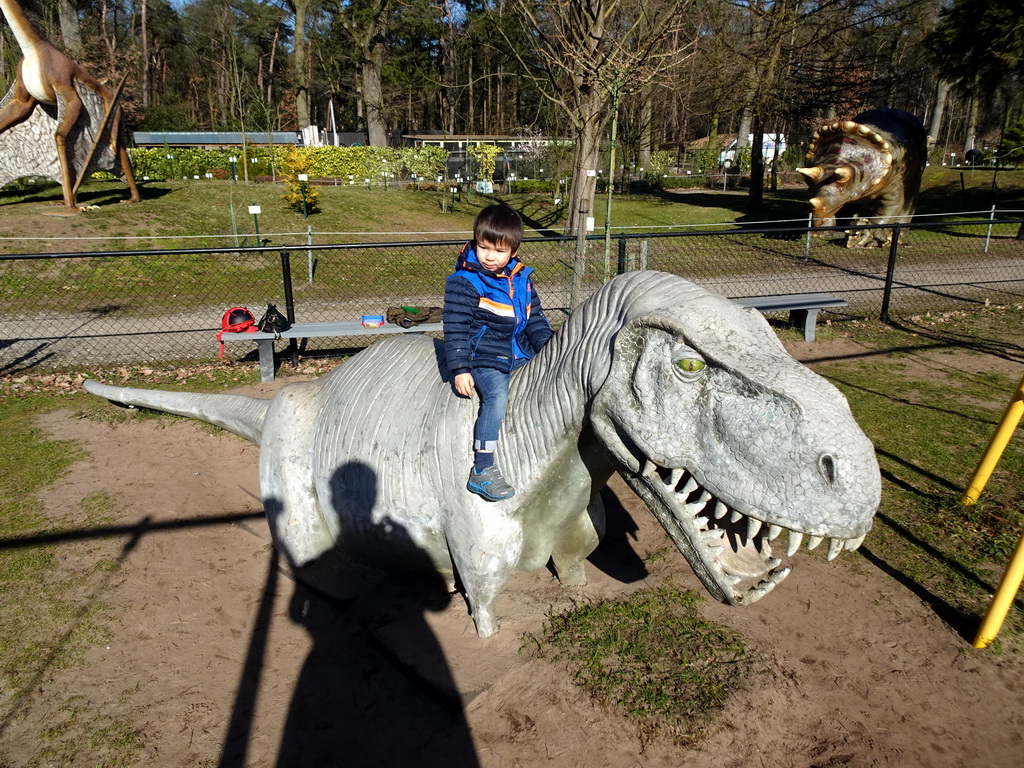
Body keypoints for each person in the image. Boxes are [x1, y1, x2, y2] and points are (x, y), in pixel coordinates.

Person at [443, 204, 552, 501]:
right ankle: (482, 468)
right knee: (497, 396)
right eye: (484, 247)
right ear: (475, 242)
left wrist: (550, 349)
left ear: (513, 252)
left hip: (517, 352)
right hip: (484, 355)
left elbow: (536, 320)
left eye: (499, 251)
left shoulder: (520, 279)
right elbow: (455, 326)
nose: (490, 256)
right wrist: (461, 368)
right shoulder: (465, 281)